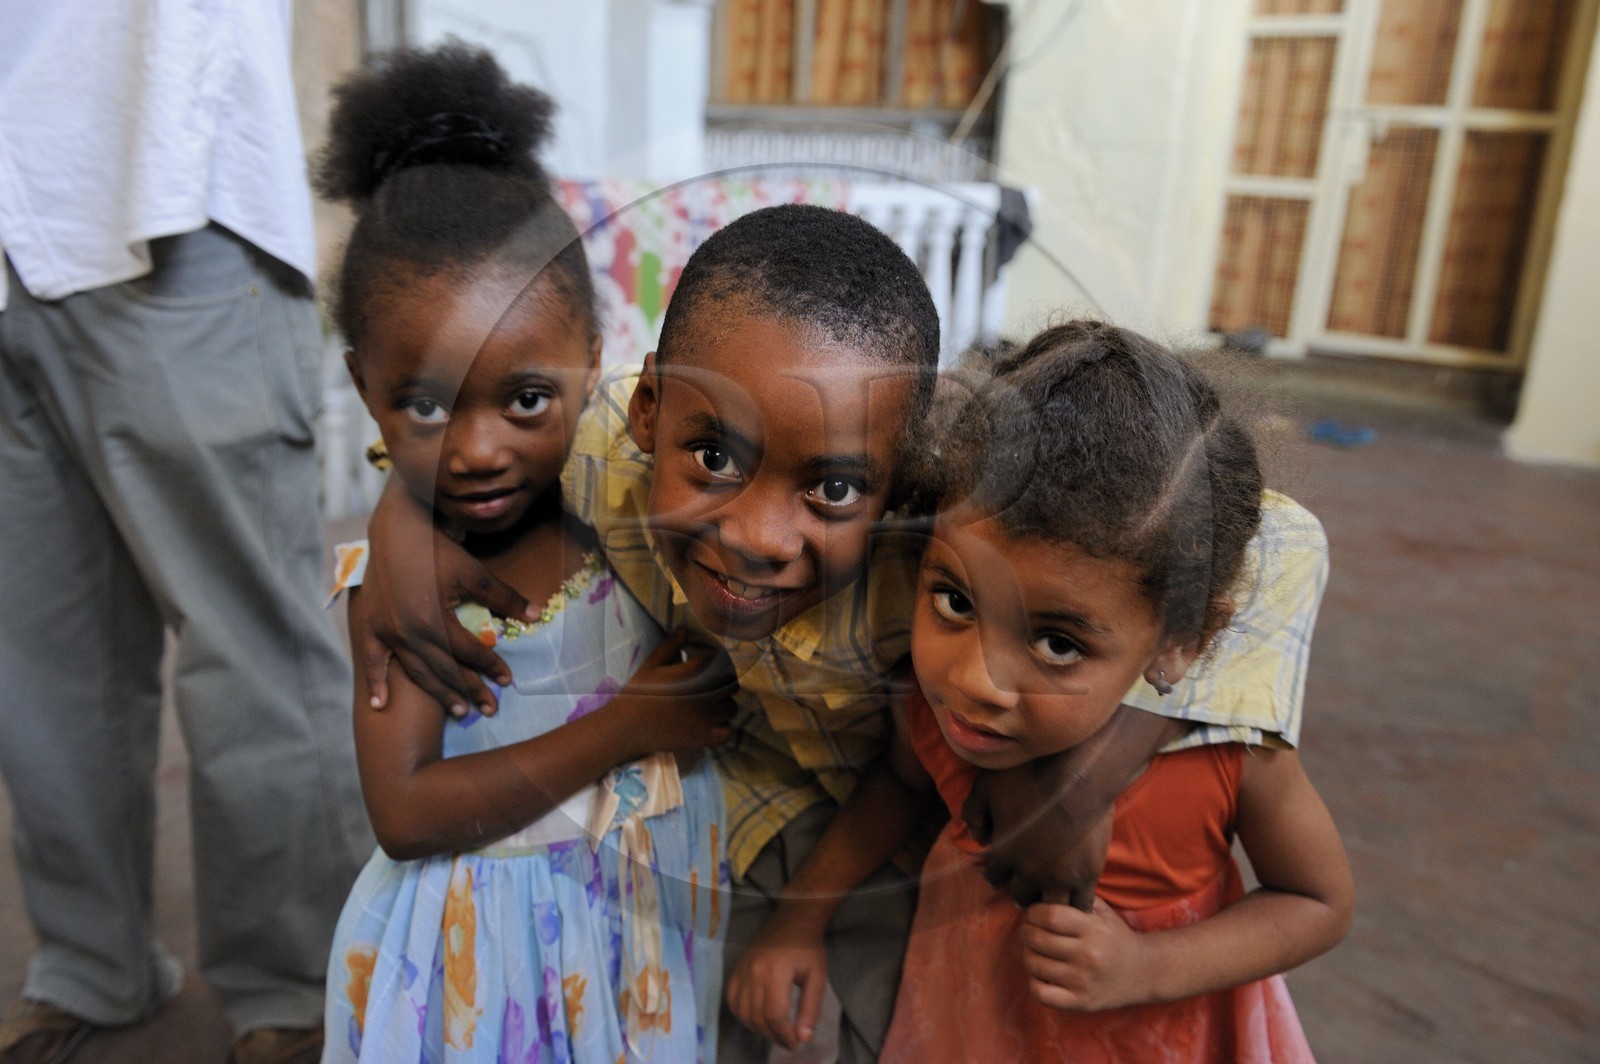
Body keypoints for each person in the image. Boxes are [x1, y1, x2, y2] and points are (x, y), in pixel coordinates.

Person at [352, 208, 1329, 1061]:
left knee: (894, 1014)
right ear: (651, 408)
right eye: (711, 457)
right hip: (721, 799)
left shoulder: (948, 517)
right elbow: (479, 429)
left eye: (831, 490)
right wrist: (404, 513)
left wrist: (1093, 767)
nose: (756, 538)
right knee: (698, 1014)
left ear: (903, 477)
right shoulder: (613, 437)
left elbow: (1276, 536)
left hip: (895, 817)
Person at [313, 43, 735, 1064]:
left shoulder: (627, 496)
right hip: (478, 962)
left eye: (526, 397)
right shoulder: (405, 593)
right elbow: (406, 809)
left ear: (595, 357)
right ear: (365, 385)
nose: (477, 448)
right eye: (423, 403)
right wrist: (622, 728)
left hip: (637, 925)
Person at [0, 3, 370, 1062]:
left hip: (163, 185)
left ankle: (297, 984)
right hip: (12, 234)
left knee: (248, 641)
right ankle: (89, 960)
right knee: (41, 658)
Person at [877, 321, 1354, 1062]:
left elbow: (1319, 902)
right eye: (955, 602)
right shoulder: (931, 714)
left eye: (1057, 644)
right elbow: (896, 793)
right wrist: (797, 925)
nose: (976, 680)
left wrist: (1147, 968)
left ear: (1181, 642)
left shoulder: (1226, 764)